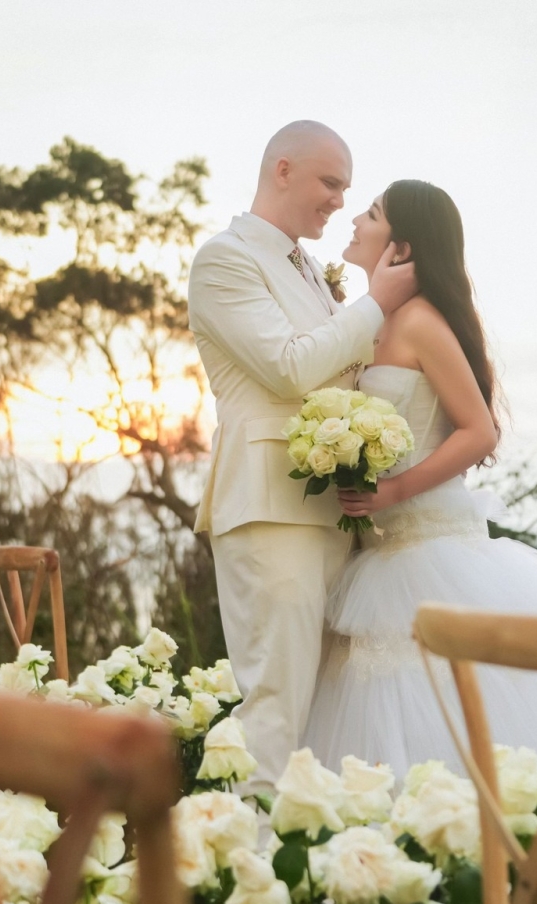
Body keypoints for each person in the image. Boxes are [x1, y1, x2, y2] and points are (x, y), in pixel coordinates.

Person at [301, 180, 537, 778]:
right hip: (377, 554)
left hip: (432, 549)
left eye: (372, 213)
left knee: (454, 704)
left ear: (403, 246)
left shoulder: (420, 321)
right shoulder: (371, 324)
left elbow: (478, 432)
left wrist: (391, 491)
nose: (356, 220)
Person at [188, 121, 418, 790]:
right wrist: (377, 302)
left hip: (332, 513)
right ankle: (253, 886)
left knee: (324, 720)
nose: (338, 202)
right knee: (276, 712)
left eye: (346, 189)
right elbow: (291, 370)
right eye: (329, 183)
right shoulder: (224, 259)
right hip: (268, 509)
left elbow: (343, 375)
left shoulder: (312, 271)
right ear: (282, 170)